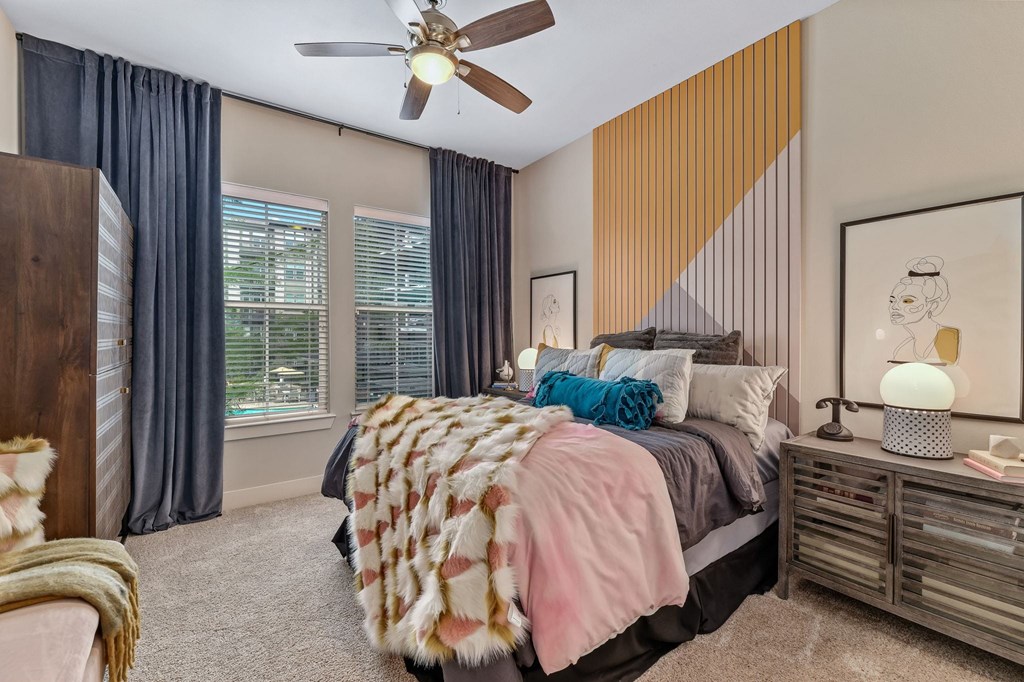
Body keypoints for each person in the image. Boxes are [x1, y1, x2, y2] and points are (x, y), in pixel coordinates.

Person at [889, 256, 961, 365]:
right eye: (892, 301)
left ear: (932, 305)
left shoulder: (950, 337)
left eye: (907, 301)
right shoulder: (903, 349)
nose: (894, 307)